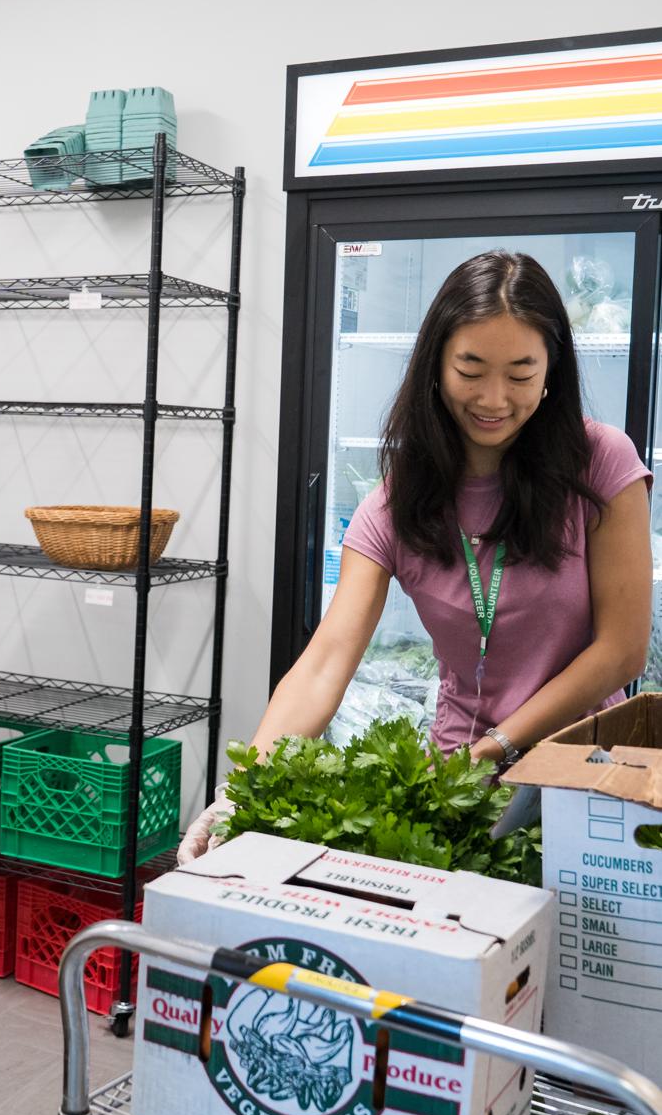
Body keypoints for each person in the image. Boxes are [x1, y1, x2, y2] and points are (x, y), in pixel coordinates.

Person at [179, 250, 653, 864]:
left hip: (582, 768)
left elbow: (622, 649)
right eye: (471, 368)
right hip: (455, 781)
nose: (493, 397)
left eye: (520, 372)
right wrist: (242, 791)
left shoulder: (601, 463)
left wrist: (503, 744)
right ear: (437, 365)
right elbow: (324, 662)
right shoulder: (397, 504)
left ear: (551, 371)